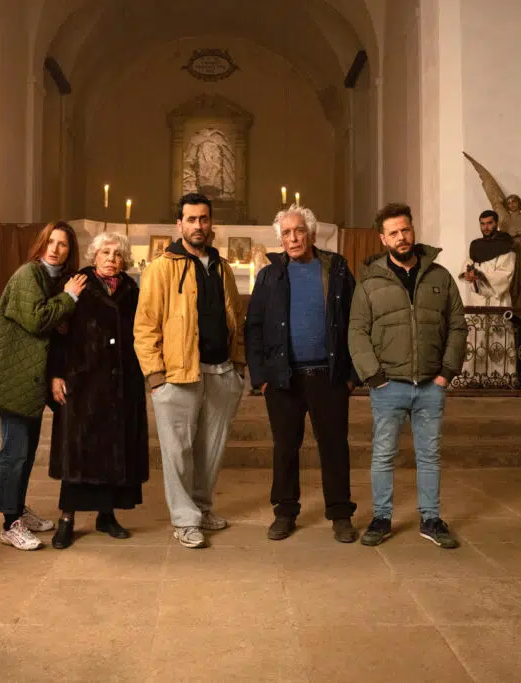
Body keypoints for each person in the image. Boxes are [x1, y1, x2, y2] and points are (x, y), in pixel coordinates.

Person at [347, 202, 466, 550]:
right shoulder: (369, 283)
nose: (402, 237)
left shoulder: (440, 277)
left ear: (413, 231)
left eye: (406, 230)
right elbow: (357, 332)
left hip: (431, 385)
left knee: (429, 455)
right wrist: (374, 377)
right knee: (383, 454)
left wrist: (446, 373)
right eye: (394, 233)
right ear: (383, 239)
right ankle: (382, 518)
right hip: (389, 387)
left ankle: (431, 518)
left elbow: (457, 326)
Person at [133, 192, 245, 549]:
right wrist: (156, 377)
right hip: (177, 375)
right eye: (192, 219)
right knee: (178, 452)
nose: (199, 225)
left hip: (221, 372)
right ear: (179, 224)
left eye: (204, 219)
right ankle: (184, 520)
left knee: (209, 450)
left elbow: (235, 319)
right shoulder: (160, 268)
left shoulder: (223, 267)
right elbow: (145, 326)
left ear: (211, 223)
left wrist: (238, 367)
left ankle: (202, 507)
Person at [245, 204, 359, 543]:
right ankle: (285, 512)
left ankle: (340, 514)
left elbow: (356, 321)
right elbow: (253, 327)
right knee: (285, 448)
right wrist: (261, 377)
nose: (293, 238)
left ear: (310, 233)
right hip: (283, 378)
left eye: (298, 231)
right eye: (286, 234)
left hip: (329, 375)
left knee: (335, 447)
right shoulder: (269, 274)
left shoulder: (335, 269)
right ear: (280, 239)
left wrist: (352, 375)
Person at [0, 221, 87, 551]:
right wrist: (70, 297)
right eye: (51, 242)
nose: (56, 249)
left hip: (32, 377)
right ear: (41, 244)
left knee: (26, 453)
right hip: (16, 376)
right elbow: (37, 319)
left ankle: (18, 510)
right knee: (13, 452)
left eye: (63, 245)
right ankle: (9, 523)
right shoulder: (29, 274)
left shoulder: (51, 278)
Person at [47, 232, 149, 549]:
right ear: (94, 257)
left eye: (117, 254)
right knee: (76, 454)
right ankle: (67, 519)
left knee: (114, 450)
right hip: (83, 384)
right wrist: (55, 375)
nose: (111, 259)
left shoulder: (132, 289)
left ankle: (107, 516)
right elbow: (57, 335)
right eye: (105, 252)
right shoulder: (76, 284)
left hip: (121, 384)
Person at [458, 209, 515, 307]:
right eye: (482, 224)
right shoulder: (476, 245)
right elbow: (469, 263)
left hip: (498, 301)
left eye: (489, 223)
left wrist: (481, 275)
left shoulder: (505, 245)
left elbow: (505, 275)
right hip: (478, 300)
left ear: (496, 224)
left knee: (497, 322)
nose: (486, 227)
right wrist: (467, 274)